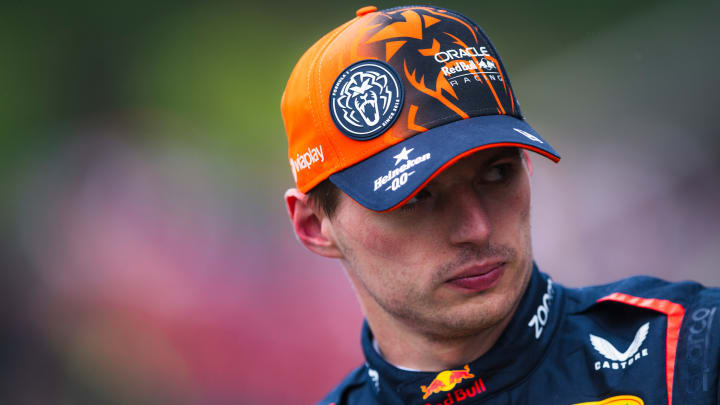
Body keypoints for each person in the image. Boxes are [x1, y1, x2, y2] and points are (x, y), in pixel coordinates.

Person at [280, 5, 720, 405]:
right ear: (315, 226)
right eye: (415, 196)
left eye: (496, 174)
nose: (477, 228)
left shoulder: (690, 353)